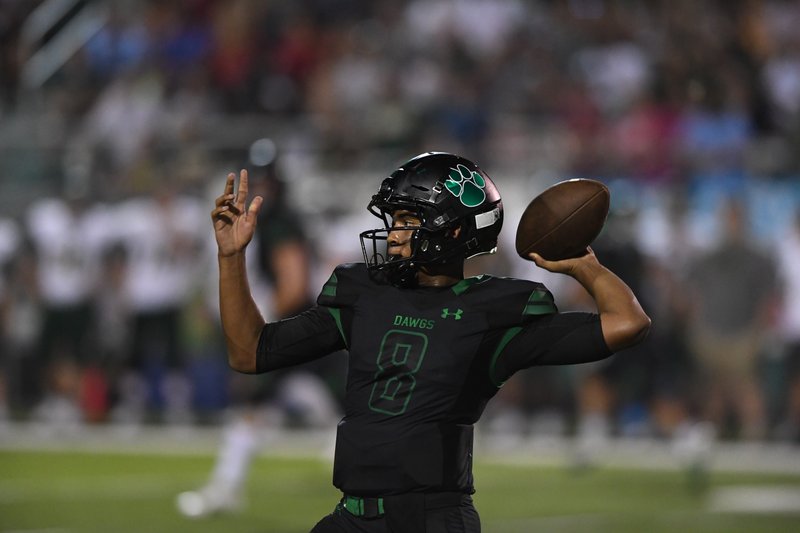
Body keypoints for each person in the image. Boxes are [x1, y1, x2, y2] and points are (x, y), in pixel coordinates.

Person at [211, 152, 651, 532]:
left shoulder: (495, 312)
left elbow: (627, 323)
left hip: (433, 519)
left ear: (452, 230)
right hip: (353, 516)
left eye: (407, 220)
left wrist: (582, 265)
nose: (394, 234)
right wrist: (231, 258)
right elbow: (249, 352)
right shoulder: (363, 293)